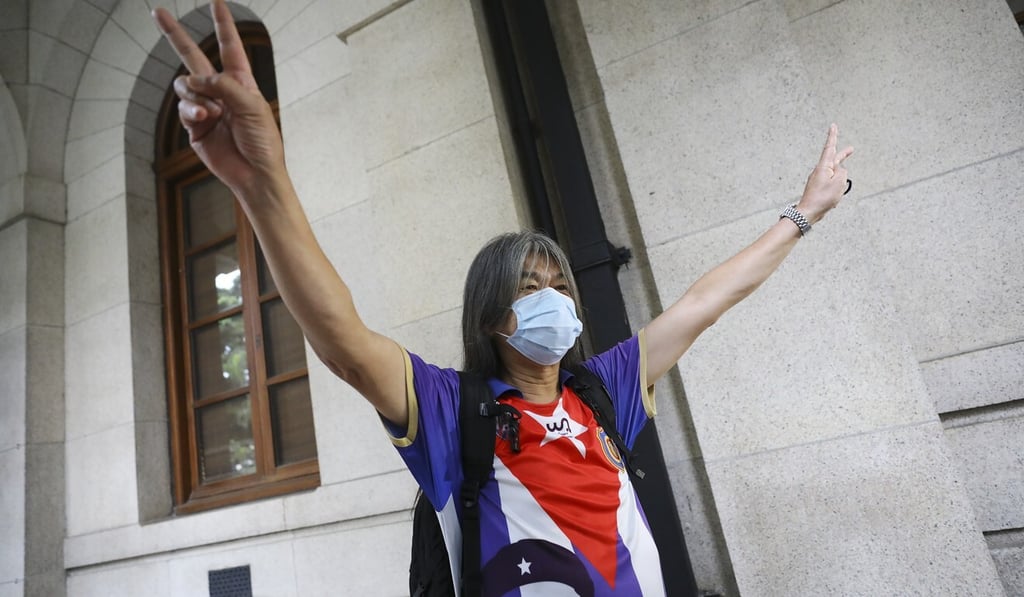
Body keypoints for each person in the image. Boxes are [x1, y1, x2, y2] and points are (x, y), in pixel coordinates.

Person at [153, 2, 853, 595]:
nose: (554, 300)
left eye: (558, 286)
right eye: (528, 287)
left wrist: (803, 213)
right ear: (493, 316)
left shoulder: (604, 390)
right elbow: (342, 341)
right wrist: (261, 181)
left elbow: (705, 301)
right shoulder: (450, 411)